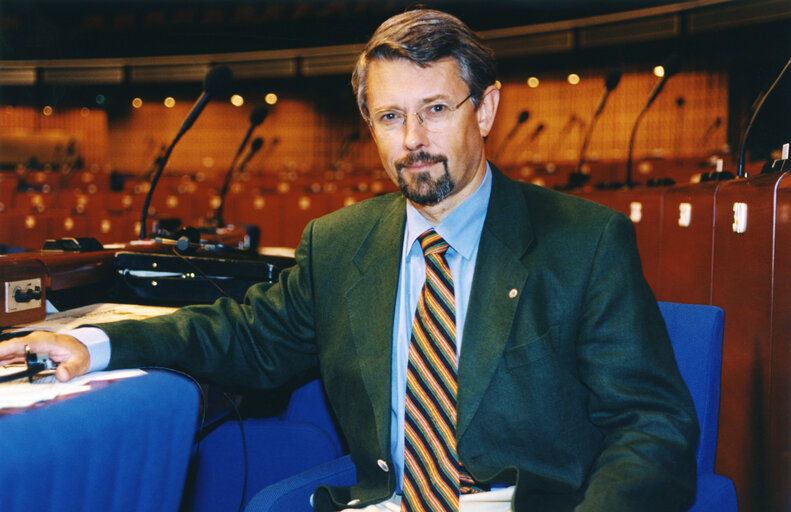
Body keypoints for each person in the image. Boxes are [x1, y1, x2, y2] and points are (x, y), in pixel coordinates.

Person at [0, 9, 698, 512]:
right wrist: (93, 344)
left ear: (483, 110)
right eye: (390, 118)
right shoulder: (339, 243)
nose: (414, 140)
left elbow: (650, 425)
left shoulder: (582, 240)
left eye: (434, 110)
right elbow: (242, 335)